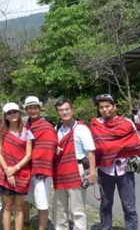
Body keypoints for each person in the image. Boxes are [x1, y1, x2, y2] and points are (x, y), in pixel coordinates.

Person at [90, 94, 140, 230]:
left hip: (125, 170)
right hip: (105, 171)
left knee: (129, 206)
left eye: (107, 106)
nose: (104, 109)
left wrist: (134, 157)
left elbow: (136, 142)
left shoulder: (126, 123)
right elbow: (91, 147)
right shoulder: (95, 125)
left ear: (114, 106)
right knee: (106, 205)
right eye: (101, 107)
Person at [52, 98, 96, 230]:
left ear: (72, 110)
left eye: (67, 109)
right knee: (59, 208)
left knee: (77, 208)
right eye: (61, 110)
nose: (64, 112)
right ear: (57, 113)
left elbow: (91, 152)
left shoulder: (81, 129)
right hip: (60, 171)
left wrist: (93, 173)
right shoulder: (57, 128)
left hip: (77, 170)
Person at [22, 96, 57, 230]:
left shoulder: (47, 126)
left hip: (41, 170)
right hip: (26, 169)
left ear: (40, 109)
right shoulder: (25, 127)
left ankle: (42, 228)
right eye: (30, 108)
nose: (33, 110)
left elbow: (50, 145)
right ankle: (26, 223)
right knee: (24, 199)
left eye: (35, 107)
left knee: (42, 203)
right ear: (26, 110)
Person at [0, 102, 33, 230]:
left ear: (19, 113)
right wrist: (7, 170)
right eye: (9, 113)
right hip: (5, 173)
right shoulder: (2, 132)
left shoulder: (27, 132)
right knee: (7, 206)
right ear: (5, 116)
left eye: (15, 112)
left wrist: (15, 168)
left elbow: (28, 155)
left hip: (21, 173)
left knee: (19, 206)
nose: (12, 115)